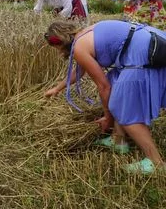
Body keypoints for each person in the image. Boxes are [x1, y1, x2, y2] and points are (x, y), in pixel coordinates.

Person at [43, 19, 166, 174]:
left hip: (144, 54)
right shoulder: (84, 35)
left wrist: (108, 116)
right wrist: (57, 89)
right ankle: (118, 139)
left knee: (123, 109)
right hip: (154, 42)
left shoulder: (79, 47)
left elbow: (103, 87)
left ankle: (156, 163)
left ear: (58, 43)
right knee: (114, 79)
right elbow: (80, 71)